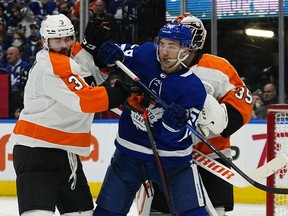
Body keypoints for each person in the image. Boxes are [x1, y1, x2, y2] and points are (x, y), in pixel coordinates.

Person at [9, 14, 137, 216]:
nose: (64, 44)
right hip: (36, 153)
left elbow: (91, 77)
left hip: (66, 154)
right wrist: (123, 92)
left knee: (83, 213)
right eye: (57, 40)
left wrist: (92, 47)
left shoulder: (70, 61)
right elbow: (86, 99)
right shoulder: (52, 65)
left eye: (68, 38)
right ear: (45, 42)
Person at [140, 13, 253, 216]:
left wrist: (210, 126)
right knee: (160, 210)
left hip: (211, 156)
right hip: (169, 156)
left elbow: (242, 104)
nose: (171, 49)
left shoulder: (218, 68)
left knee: (214, 211)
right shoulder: (156, 65)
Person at [93, 22, 210, 216]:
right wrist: (108, 53)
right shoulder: (146, 53)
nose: (164, 51)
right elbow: (119, 54)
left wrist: (173, 126)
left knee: (194, 213)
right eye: (162, 44)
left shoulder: (194, 88)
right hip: (128, 156)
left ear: (185, 50)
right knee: (106, 213)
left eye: (172, 46)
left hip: (173, 163)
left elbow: (183, 133)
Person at [5, 46, 31, 118]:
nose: (8, 56)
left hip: (20, 97)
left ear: (18, 55)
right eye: (7, 54)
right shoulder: (7, 68)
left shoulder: (26, 67)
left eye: (11, 54)